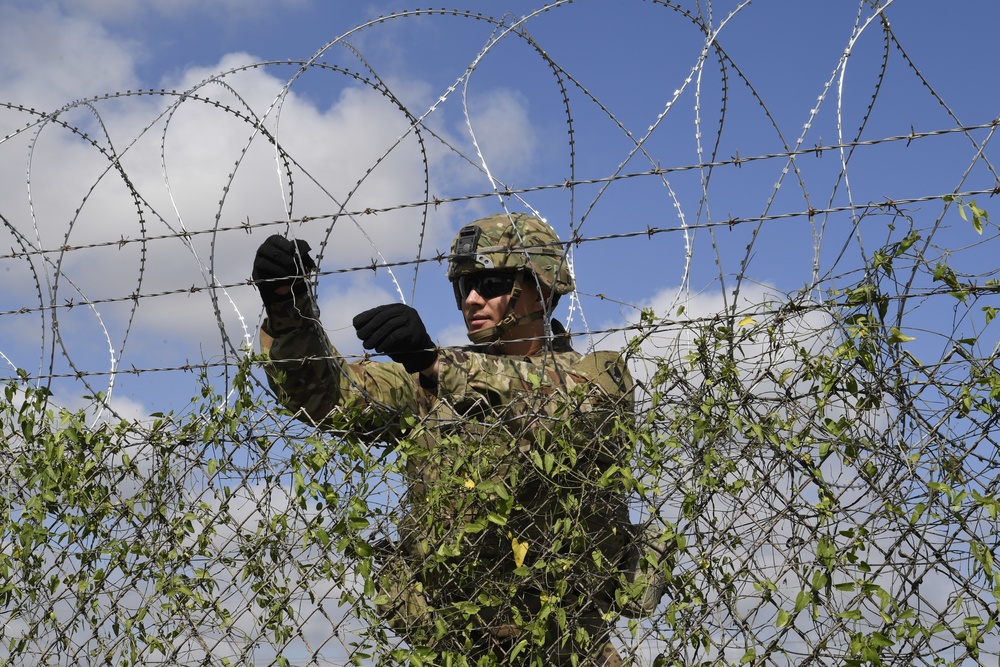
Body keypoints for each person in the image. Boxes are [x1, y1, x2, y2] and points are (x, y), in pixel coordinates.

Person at [253, 213, 634, 666]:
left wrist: (435, 365)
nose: (472, 300)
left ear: (543, 286)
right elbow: (326, 397)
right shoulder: (426, 383)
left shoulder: (602, 376)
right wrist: (288, 309)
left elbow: (551, 405)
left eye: (490, 283)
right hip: (451, 646)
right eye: (463, 288)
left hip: (567, 646)